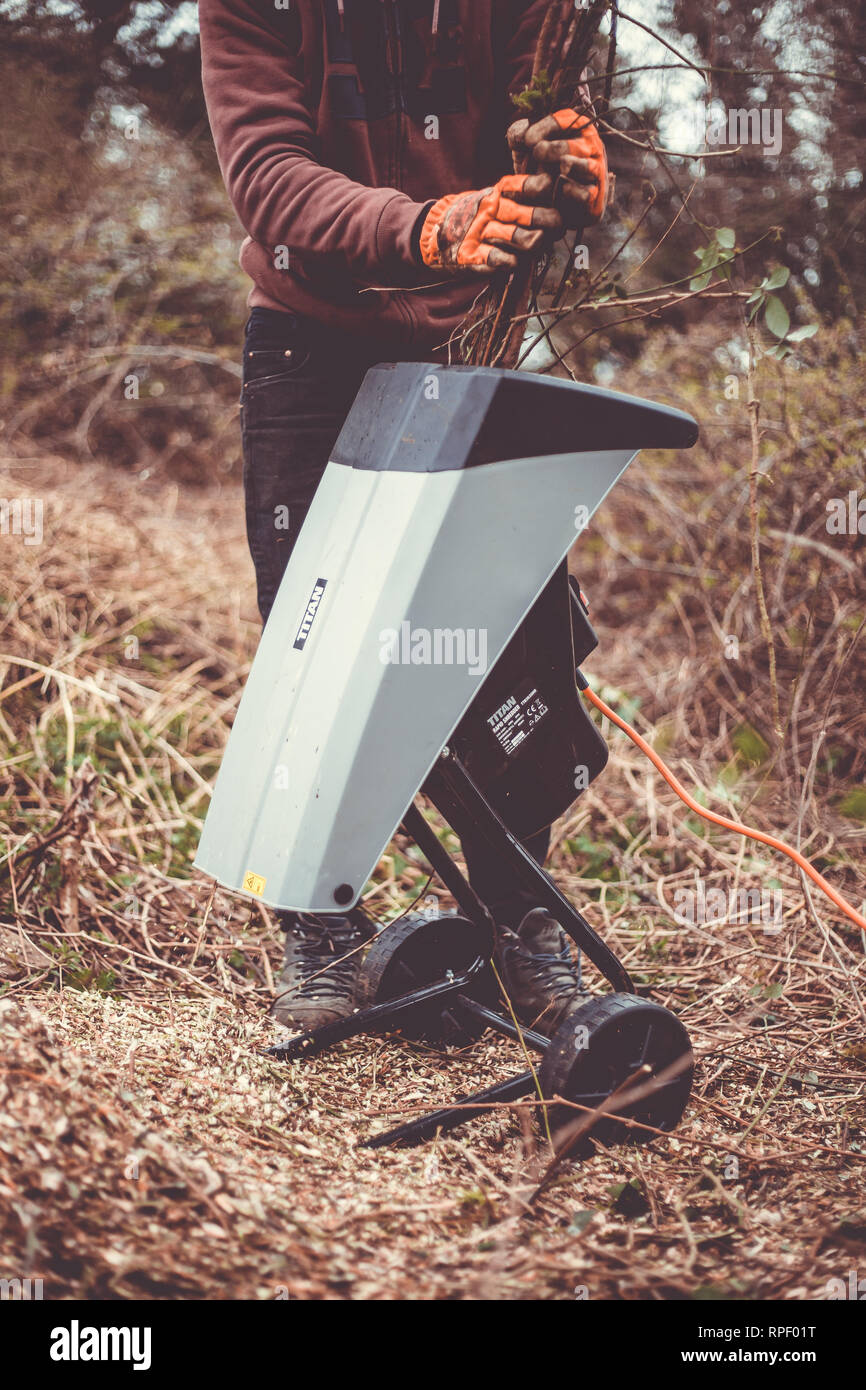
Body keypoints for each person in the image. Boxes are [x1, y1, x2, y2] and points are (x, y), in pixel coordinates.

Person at [199, 0, 610, 1035]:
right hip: (307, 340)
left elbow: (539, 94)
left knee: (500, 634)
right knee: (314, 636)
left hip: (461, 346)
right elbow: (265, 174)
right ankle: (320, 921)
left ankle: (518, 919)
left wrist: (564, 153)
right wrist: (424, 226)